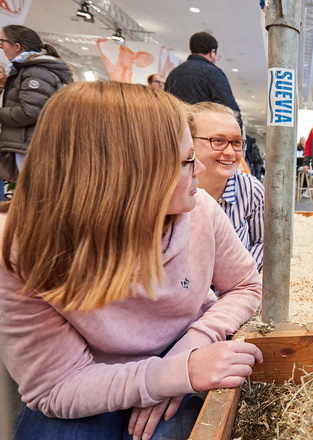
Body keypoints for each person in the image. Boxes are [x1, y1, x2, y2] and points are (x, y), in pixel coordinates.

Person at [0, 81, 263, 440]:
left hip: (182, 344)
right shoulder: (22, 248)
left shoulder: (202, 210)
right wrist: (170, 375)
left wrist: (193, 344)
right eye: (187, 160)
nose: (200, 170)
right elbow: (55, 386)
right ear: (128, 174)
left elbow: (248, 284)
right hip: (87, 373)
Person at [189, 102, 265, 271]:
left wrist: (239, 280)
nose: (230, 152)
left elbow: (262, 242)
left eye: (237, 142)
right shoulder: (172, 191)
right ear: (189, 142)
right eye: (218, 141)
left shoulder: (250, 190)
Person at [0, 24, 73, 181]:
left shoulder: (35, 71)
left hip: (31, 145)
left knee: (33, 194)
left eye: (3, 41)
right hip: (28, 143)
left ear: (17, 46)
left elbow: (30, 111)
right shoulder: (29, 70)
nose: (1, 46)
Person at [165, 32, 243, 128]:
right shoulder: (212, 72)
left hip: (177, 129)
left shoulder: (173, 73)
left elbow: (167, 104)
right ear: (212, 52)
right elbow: (230, 108)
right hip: (202, 131)